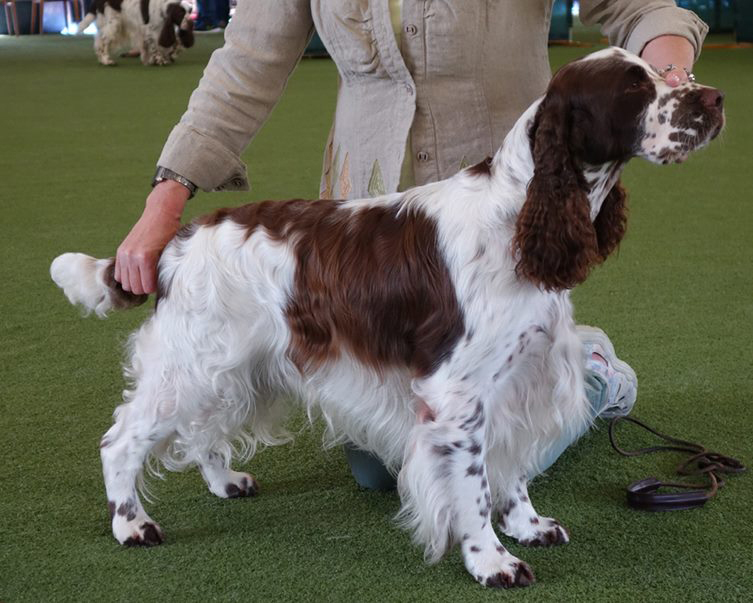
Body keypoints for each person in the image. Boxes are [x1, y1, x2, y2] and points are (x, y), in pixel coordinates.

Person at [113, 1, 708, 488]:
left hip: (496, 210)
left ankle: (588, 369)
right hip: (368, 226)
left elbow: (644, 9)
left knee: (491, 432)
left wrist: (668, 82)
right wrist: (165, 199)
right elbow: (247, 60)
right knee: (387, 467)